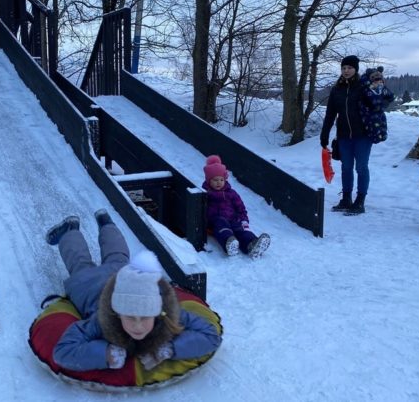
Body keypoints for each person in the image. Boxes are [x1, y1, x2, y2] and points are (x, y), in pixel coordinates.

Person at [44, 209, 222, 372]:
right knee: (83, 262)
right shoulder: (103, 320)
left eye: (144, 318)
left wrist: (169, 349)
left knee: (117, 257)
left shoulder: (167, 315)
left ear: (157, 312)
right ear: (118, 313)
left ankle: (99, 226)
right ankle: (79, 230)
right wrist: (104, 354)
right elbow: (64, 351)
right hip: (88, 283)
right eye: (129, 317)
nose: (137, 326)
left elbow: (211, 336)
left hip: (119, 276)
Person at [320, 55, 371, 214]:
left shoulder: (363, 87)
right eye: (343, 68)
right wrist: (325, 133)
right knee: (346, 167)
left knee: (361, 167)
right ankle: (346, 198)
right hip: (343, 136)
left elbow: (379, 103)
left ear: (355, 69)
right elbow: (330, 114)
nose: (346, 71)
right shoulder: (336, 89)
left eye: (349, 68)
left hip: (363, 135)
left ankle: (360, 201)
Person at [202, 155, 270, 257]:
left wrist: (244, 220)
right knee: (222, 227)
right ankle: (229, 244)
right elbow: (199, 209)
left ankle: (252, 244)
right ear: (208, 181)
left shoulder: (231, 193)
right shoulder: (206, 194)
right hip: (216, 222)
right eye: (215, 180)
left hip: (232, 220)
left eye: (221, 180)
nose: (218, 183)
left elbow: (240, 208)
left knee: (240, 230)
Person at [359, 66, 394, 144]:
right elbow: (362, 99)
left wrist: (386, 102)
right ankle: (374, 137)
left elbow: (391, 96)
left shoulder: (383, 88)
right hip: (369, 113)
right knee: (373, 126)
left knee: (382, 123)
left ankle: (383, 134)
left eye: (379, 78)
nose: (377, 80)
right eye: (375, 78)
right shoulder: (366, 89)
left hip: (380, 112)